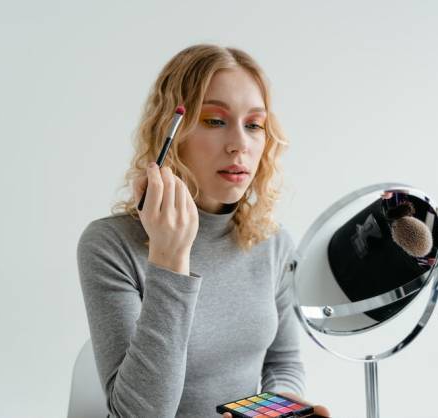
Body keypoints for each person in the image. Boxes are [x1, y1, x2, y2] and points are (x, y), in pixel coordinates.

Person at [77, 44, 330, 418]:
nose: (239, 144)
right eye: (214, 121)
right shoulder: (110, 245)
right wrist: (169, 259)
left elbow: (284, 362)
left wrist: (278, 408)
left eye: (254, 125)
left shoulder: (274, 244)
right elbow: (138, 414)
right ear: (170, 134)